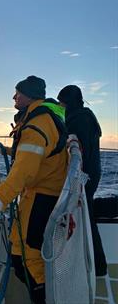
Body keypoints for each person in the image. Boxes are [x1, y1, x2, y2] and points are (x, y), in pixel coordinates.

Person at [0, 76, 68, 304]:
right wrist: (6, 152)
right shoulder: (42, 119)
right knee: (22, 255)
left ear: (28, 95)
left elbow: (24, 171)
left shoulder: (36, 125)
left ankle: (42, 298)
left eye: (17, 93)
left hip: (41, 198)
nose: (14, 97)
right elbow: (32, 155)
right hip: (42, 194)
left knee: (29, 261)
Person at [58, 84, 106, 276]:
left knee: (87, 219)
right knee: (87, 217)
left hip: (84, 175)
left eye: (62, 103)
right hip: (93, 173)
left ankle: (98, 266)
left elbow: (79, 152)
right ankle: (96, 264)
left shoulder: (77, 120)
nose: (61, 107)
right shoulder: (87, 116)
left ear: (68, 102)